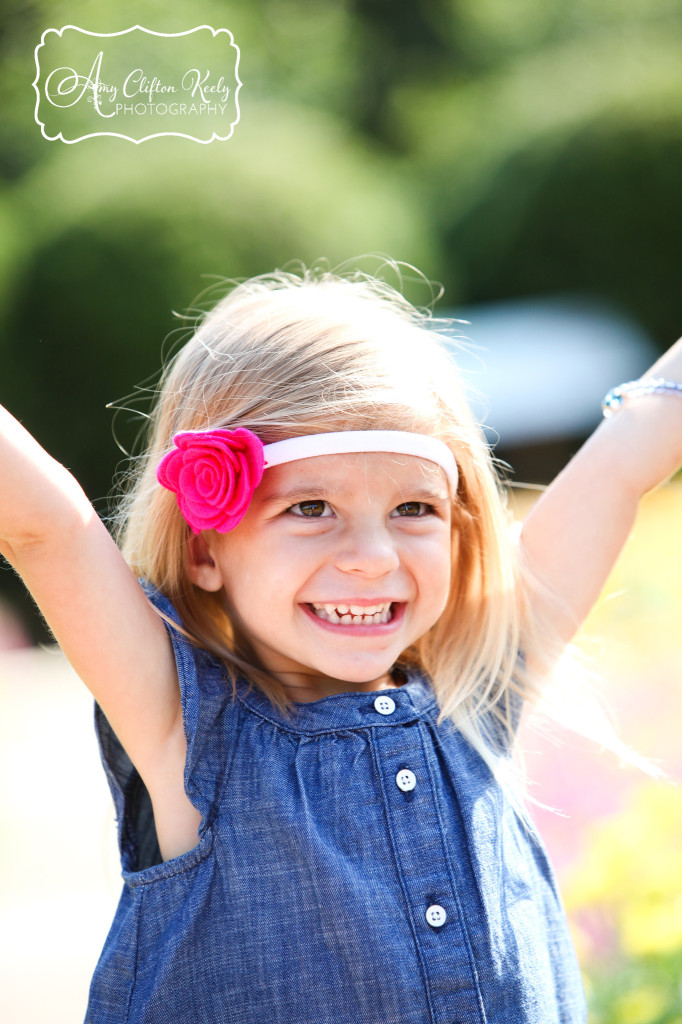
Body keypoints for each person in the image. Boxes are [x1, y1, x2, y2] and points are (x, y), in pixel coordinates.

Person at [1, 266, 681, 1024]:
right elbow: (47, 526)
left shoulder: (478, 688)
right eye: (313, 507)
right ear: (205, 551)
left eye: (414, 507)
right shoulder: (186, 728)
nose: (374, 556)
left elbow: (630, 451)